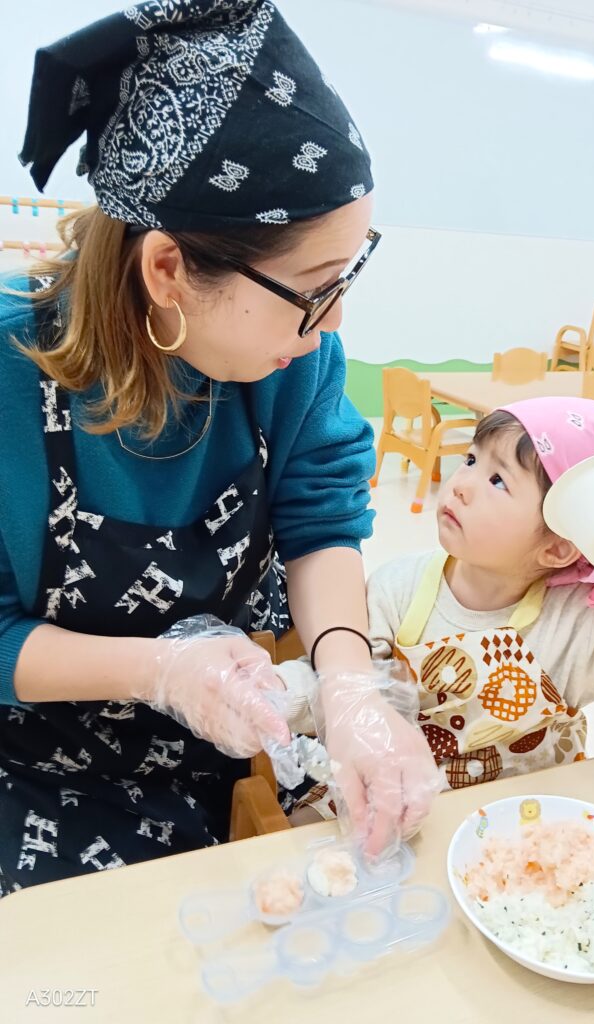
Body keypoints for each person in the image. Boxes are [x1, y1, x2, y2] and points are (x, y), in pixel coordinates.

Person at [0, 0, 436, 892]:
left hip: (204, 760)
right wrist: (157, 667)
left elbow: (321, 523)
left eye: (348, 276)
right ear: (166, 269)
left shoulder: (291, 359)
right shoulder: (9, 374)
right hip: (22, 764)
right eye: (315, 287)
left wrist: (349, 685)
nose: (333, 321)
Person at [278, 396, 594, 814]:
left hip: (520, 826)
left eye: (497, 480)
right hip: (395, 805)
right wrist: (273, 692)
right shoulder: (399, 587)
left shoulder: (576, 625)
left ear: (557, 548)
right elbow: (346, 679)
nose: (462, 485)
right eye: (471, 460)